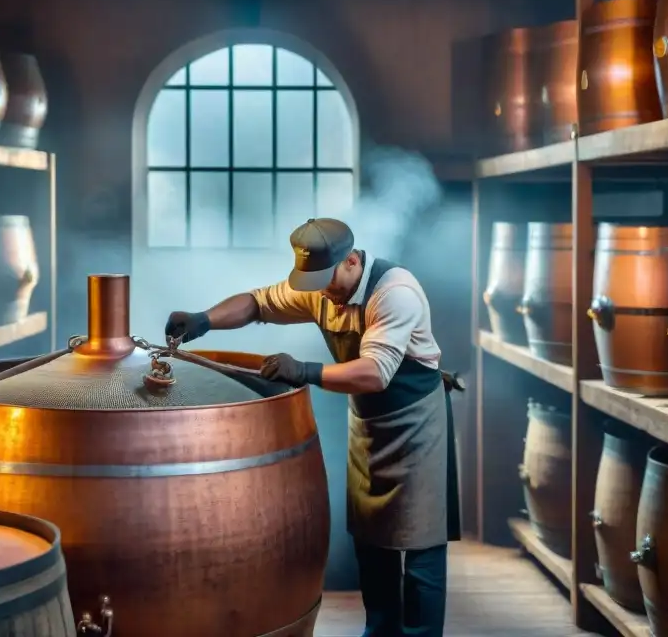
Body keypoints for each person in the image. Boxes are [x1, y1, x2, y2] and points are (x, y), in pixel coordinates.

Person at [165, 217, 462, 637]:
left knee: (420, 547)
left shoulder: (395, 293)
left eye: (327, 280)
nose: (322, 292)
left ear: (352, 261)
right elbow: (257, 303)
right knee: (372, 542)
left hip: (416, 424)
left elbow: (375, 372)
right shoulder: (321, 288)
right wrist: (204, 319)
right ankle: (379, 632)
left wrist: (304, 370)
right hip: (369, 424)